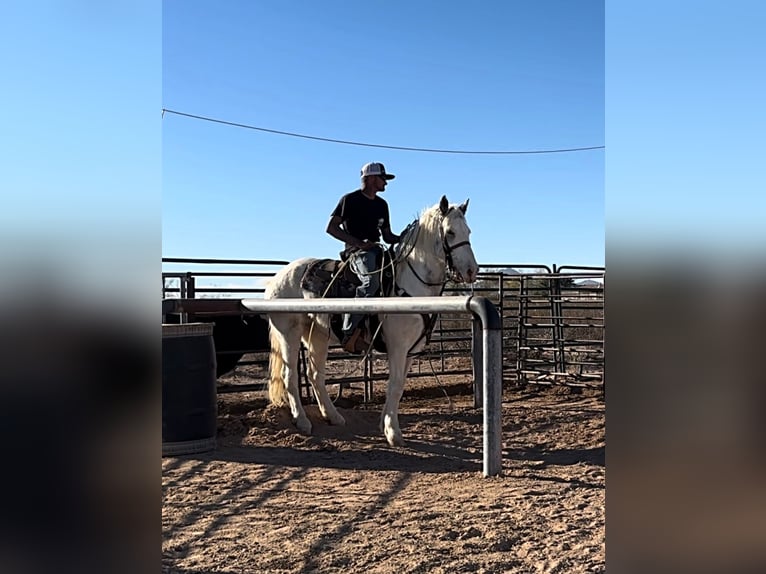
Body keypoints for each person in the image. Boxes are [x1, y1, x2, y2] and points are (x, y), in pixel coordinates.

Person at [326, 162, 401, 352]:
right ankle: (349, 332)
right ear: (370, 179)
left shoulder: (382, 205)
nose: (386, 182)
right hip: (357, 252)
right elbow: (331, 228)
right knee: (371, 283)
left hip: (377, 250)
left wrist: (407, 237)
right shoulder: (349, 200)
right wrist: (358, 243)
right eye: (383, 178)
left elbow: (387, 236)